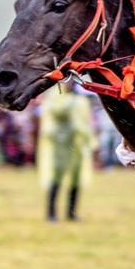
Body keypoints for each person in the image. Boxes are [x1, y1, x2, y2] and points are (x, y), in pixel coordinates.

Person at [36, 82, 96, 221]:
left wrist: (92, 142)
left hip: (77, 144)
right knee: (55, 177)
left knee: (76, 179)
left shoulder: (80, 99)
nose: (72, 85)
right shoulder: (56, 96)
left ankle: (71, 213)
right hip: (60, 143)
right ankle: (51, 213)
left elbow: (86, 122)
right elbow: (59, 112)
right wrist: (72, 100)